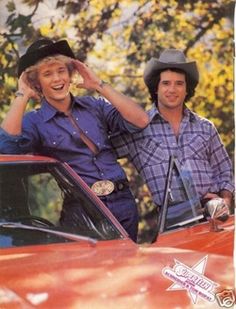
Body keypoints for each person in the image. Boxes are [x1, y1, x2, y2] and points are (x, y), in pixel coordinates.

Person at [0, 38, 150, 242]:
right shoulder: (34, 122)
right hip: (84, 212)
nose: (57, 79)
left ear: (70, 74)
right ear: (37, 83)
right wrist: (22, 95)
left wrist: (98, 84)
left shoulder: (95, 106)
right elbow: (5, 149)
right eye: (47, 74)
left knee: (126, 270)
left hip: (123, 203)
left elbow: (140, 120)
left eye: (61, 70)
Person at [111, 48, 234, 232]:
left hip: (215, 220)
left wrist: (224, 202)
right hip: (172, 223)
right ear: (156, 87)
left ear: (187, 89)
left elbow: (224, 169)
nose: (172, 90)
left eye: (179, 84)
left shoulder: (205, 127)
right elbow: (100, 153)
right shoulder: (138, 130)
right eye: (166, 83)